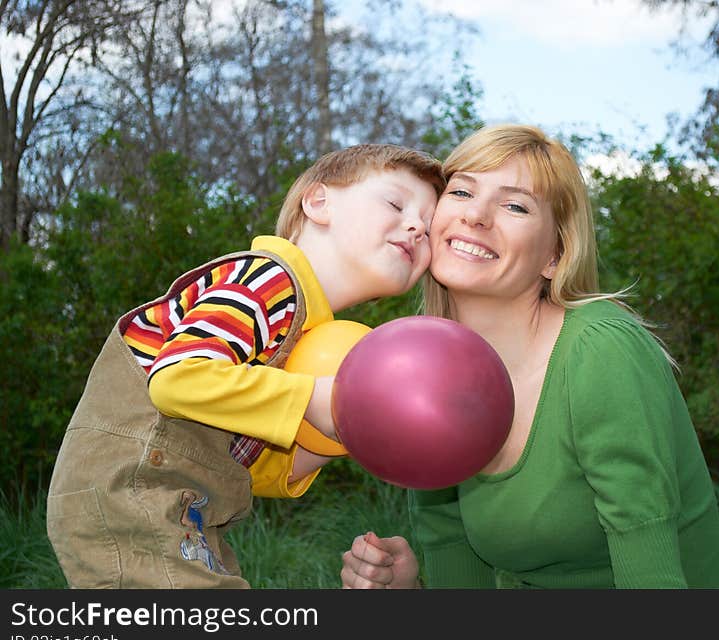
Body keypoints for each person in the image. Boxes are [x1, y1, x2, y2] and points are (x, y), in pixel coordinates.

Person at [340, 125, 719, 589]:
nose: (477, 216)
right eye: (462, 191)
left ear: (554, 255)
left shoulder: (600, 349)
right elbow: (457, 568)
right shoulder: (427, 371)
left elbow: (654, 574)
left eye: (515, 205)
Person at [46, 144, 444, 589]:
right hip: (134, 491)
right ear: (318, 203)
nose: (415, 226)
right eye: (395, 203)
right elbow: (178, 380)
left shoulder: (307, 334)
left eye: (429, 231)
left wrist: (333, 437)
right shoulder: (265, 280)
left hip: (185, 510)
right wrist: (312, 400)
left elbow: (245, 465)